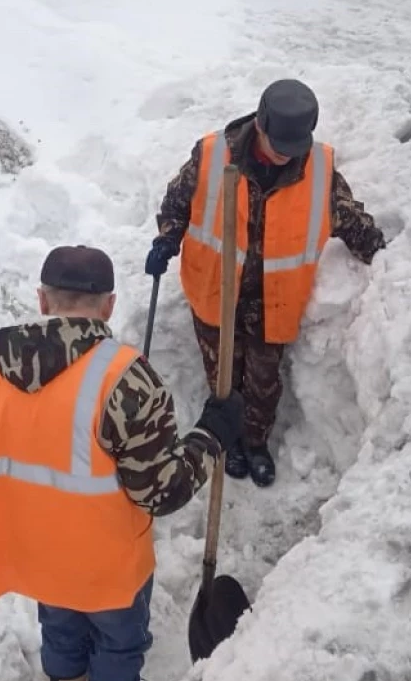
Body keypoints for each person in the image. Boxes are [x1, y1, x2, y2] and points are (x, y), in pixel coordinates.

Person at [0, 246, 243, 681]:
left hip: (34, 556)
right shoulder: (127, 377)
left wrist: (31, 517)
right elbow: (161, 490)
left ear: (43, 300)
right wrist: (210, 437)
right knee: (118, 644)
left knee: (61, 634)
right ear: (108, 306)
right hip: (109, 563)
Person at [145, 79, 386, 488]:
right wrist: (167, 237)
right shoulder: (211, 155)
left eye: (295, 148)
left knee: (263, 382)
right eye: (279, 146)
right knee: (224, 377)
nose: (285, 157)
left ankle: (254, 442)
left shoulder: (319, 169)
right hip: (215, 294)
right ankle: (228, 441)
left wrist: (382, 251)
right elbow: (178, 201)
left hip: (273, 302)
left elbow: (346, 216)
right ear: (259, 123)